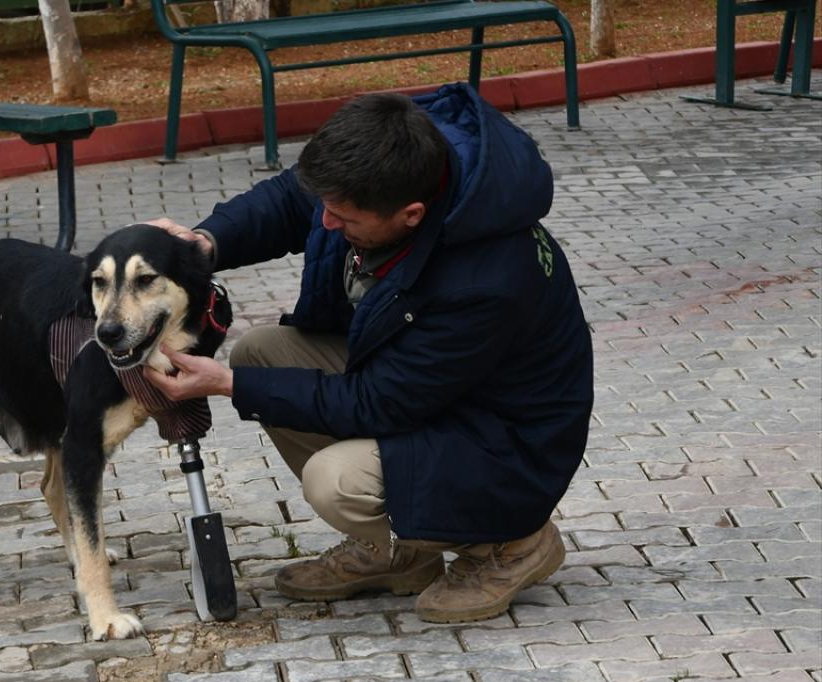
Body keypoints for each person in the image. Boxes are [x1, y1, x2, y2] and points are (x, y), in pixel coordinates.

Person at [145, 83, 593, 623]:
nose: (326, 223)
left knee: (336, 482)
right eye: (327, 208)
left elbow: (377, 403)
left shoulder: (484, 280)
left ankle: (513, 543)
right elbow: (292, 198)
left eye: (344, 219)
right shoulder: (388, 158)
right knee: (264, 355)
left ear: (411, 215)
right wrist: (205, 243)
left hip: (506, 445)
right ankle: (399, 553)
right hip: (440, 393)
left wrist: (224, 385)